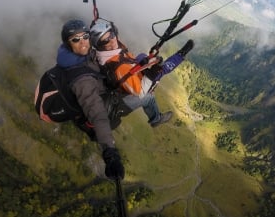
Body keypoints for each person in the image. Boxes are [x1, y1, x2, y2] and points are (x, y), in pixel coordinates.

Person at [89, 20, 194, 128]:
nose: (112, 40)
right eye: (105, 41)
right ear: (100, 45)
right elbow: (140, 93)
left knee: (142, 56)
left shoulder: (107, 51)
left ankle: (167, 58)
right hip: (122, 99)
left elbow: (126, 60)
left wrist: (147, 60)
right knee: (157, 79)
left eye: (111, 34)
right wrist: (151, 73)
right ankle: (156, 119)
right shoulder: (120, 67)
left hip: (122, 79)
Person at [56, 19, 125, 180]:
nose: (83, 43)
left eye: (85, 36)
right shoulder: (81, 80)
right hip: (94, 121)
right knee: (140, 97)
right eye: (75, 39)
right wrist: (110, 153)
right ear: (67, 43)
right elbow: (98, 114)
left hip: (100, 96)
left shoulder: (80, 56)